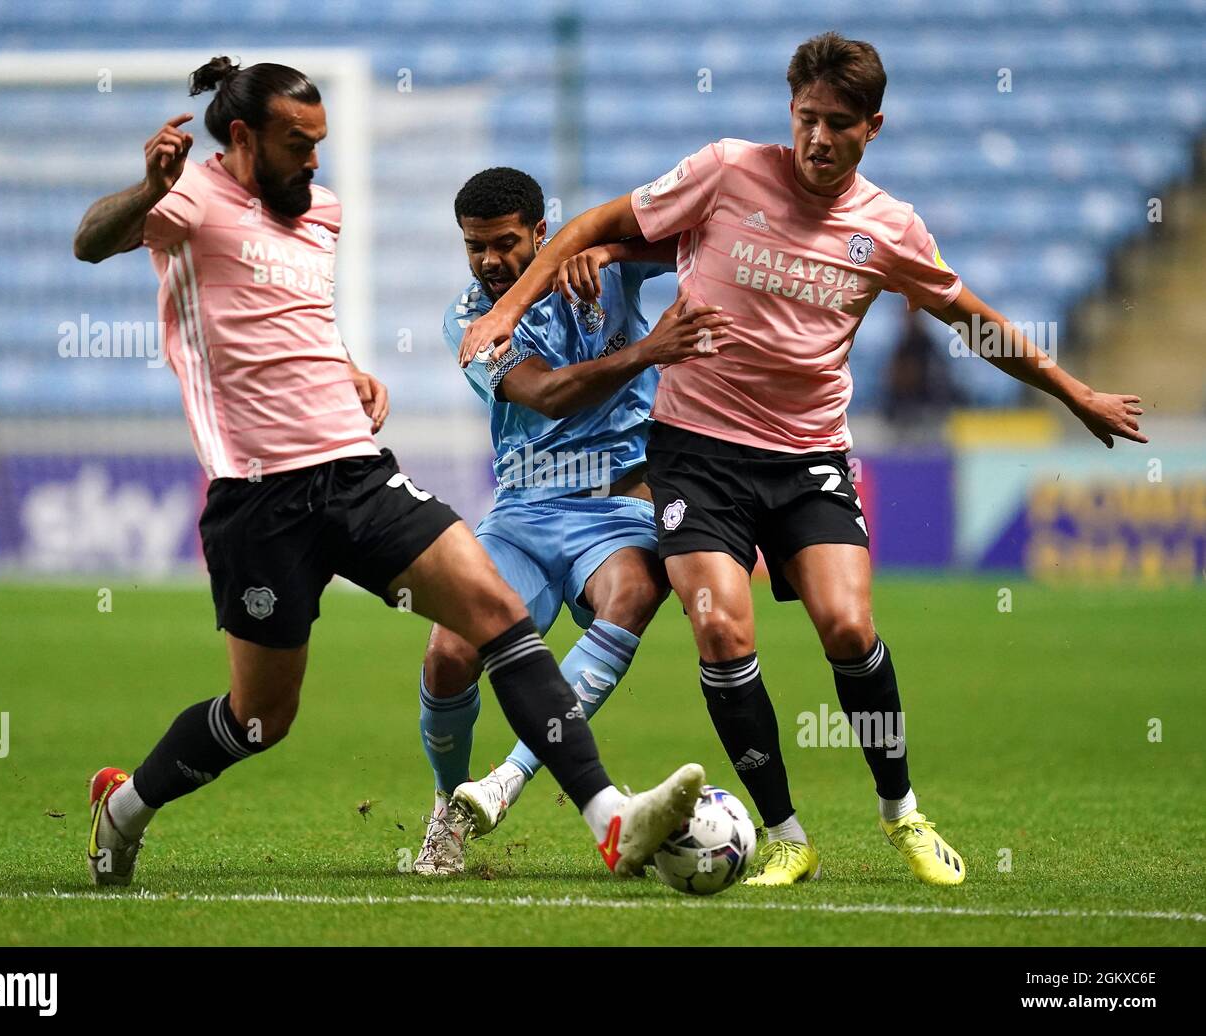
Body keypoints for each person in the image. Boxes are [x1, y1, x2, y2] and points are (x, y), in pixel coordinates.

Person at [457, 32, 1146, 888]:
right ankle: (786, 835)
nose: (818, 139)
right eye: (806, 119)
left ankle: (903, 813)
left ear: (874, 128)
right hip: (697, 453)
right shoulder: (727, 170)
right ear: (791, 113)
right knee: (718, 625)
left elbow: (969, 318)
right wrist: (506, 310)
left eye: (839, 124)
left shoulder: (889, 228)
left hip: (807, 455)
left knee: (848, 628)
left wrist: (1071, 390)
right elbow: (600, 224)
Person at [72, 57, 705, 888]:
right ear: (242, 138)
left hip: (357, 471)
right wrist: (145, 188)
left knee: (495, 614)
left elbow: (292, 320)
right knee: (261, 718)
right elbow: (90, 241)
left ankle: (607, 817)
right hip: (260, 496)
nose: (315, 162)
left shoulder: (320, 213)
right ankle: (125, 808)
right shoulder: (189, 198)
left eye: (320, 143)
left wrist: (347, 370)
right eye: (298, 145)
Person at [414, 167, 730, 873]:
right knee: (447, 655)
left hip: (618, 505)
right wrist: (647, 351)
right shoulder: (469, 318)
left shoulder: (603, 276)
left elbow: (704, 243)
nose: (489, 261)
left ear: (540, 234)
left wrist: (614, 251)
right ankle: (446, 810)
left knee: (635, 593)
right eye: (474, 247)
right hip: (523, 512)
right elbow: (548, 395)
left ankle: (508, 778)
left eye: (503, 243)